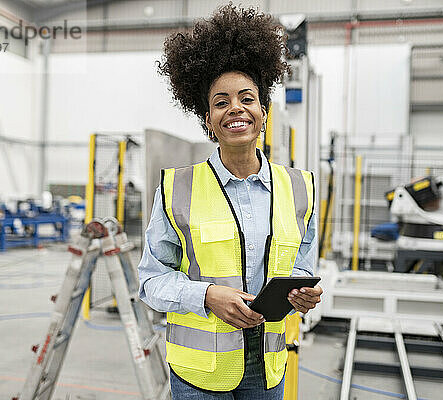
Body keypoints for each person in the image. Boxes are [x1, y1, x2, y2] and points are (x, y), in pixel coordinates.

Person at [138, 5, 323, 399]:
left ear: (263, 112)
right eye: (221, 102)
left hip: (268, 366)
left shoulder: (301, 188)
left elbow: (302, 266)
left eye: (247, 98)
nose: (235, 108)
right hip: (200, 374)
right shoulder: (177, 188)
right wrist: (206, 295)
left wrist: (301, 296)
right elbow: (150, 281)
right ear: (207, 119)